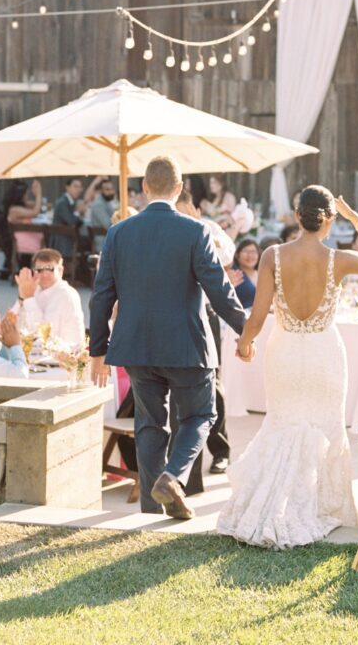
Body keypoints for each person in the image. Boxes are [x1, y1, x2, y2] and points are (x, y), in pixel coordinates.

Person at [217, 186, 358, 549]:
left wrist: (245, 343)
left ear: (297, 216)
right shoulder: (338, 258)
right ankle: (323, 507)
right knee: (326, 427)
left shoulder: (272, 255)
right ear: (329, 220)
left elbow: (258, 315)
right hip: (325, 353)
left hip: (285, 352)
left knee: (282, 423)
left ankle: (270, 507)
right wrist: (355, 217)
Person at [89, 155, 249, 520]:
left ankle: (150, 507)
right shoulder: (195, 231)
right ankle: (171, 478)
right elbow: (220, 290)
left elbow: (101, 296)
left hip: (137, 347)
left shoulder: (118, 233)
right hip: (187, 346)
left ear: (144, 188)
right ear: (179, 189)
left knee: (149, 425)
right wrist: (245, 331)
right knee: (200, 416)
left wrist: (97, 349)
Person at [176, 189, 238, 475]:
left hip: (206, 312)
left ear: (196, 211)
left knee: (213, 382)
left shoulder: (208, 229)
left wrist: (202, 234)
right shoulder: (167, 228)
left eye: (186, 212)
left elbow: (227, 252)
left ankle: (220, 450)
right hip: (174, 312)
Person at [12, 248, 85, 346]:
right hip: (39, 352)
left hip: (63, 356)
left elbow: (43, 335)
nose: (44, 274)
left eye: (50, 269)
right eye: (40, 270)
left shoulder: (66, 294)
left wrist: (28, 298)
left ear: (60, 271)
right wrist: (22, 297)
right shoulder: (35, 289)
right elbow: (11, 323)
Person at [3, 179, 44, 268]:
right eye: (26, 194)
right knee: (50, 241)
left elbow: (36, 206)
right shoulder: (15, 210)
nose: (27, 196)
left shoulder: (21, 206)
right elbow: (35, 212)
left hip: (27, 237)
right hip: (22, 241)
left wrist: (36, 195)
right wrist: (38, 195)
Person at [51, 178, 87, 259]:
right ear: (67, 187)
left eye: (80, 187)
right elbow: (71, 221)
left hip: (69, 238)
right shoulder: (62, 203)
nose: (78, 190)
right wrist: (78, 211)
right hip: (61, 241)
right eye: (75, 186)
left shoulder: (71, 202)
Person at [88, 179, 118, 251]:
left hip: (111, 239)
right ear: (101, 191)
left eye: (111, 189)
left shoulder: (108, 201)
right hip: (103, 241)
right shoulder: (98, 205)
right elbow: (108, 225)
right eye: (107, 189)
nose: (110, 192)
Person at [232, 239, 260, 311]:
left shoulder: (263, 273)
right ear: (237, 255)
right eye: (245, 251)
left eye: (253, 252)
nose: (250, 255)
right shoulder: (233, 274)